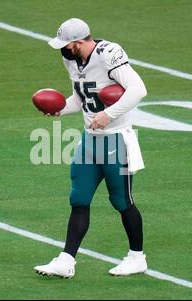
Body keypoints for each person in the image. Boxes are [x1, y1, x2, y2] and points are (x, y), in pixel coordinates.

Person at [34, 18, 147, 278]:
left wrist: (109, 114)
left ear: (79, 42)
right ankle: (66, 260)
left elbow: (138, 90)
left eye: (66, 44)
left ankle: (137, 257)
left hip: (117, 138)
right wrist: (61, 109)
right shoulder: (71, 59)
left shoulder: (108, 54)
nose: (63, 50)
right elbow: (82, 97)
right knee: (79, 198)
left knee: (122, 200)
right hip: (90, 139)